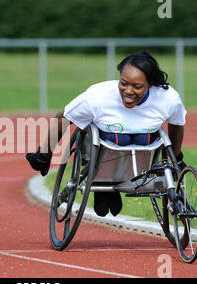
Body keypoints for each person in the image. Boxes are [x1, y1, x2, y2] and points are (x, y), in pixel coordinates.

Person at [26, 50, 187, 217]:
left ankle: (111, 185)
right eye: (124, 83)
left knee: (140, 137)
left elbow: (177, 125)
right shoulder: (99, 96)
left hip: (143, 153)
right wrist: (44, 155)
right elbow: (63, 118)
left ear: (151, 85)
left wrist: (176, 159)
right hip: (103, 150)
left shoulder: (168, 98)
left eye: (137, 87)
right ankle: (104, 185)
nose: (128, 91)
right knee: (120, 137)